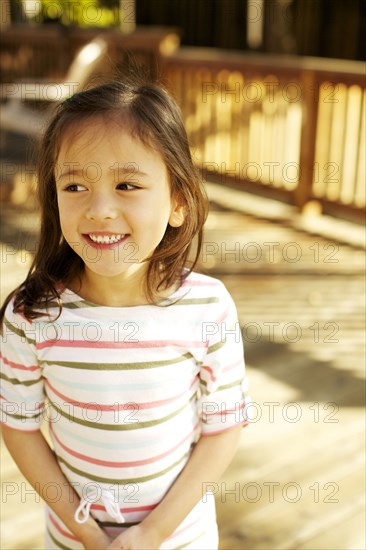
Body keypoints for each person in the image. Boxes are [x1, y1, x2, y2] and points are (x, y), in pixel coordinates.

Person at [0, 80, 250, 550]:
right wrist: (87, 534)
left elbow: (224, 427)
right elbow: (19, 424)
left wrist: (151, 534)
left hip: (181, 540)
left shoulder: (207, 308)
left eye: (127, 185)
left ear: (178, 201)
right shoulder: (32, 316)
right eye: (75, 185)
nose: (99, 209)